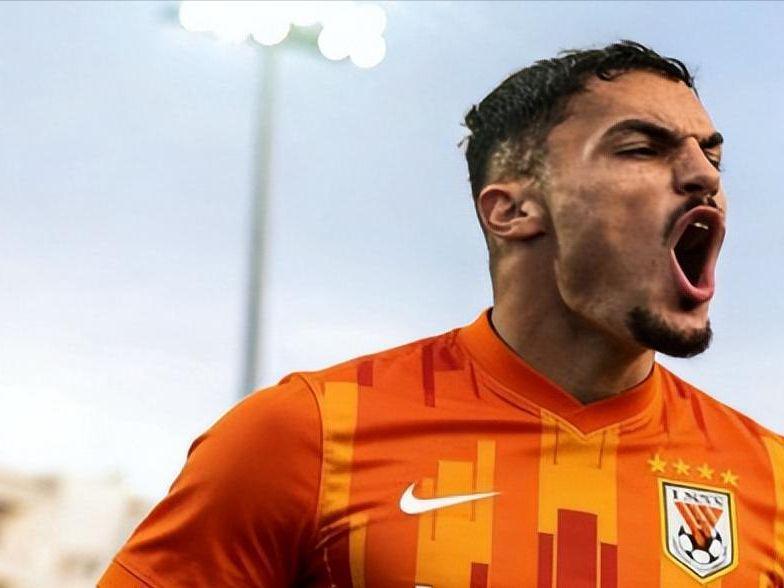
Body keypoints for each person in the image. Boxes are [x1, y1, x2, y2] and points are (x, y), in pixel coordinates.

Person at [99, 40, 784, 587]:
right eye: (641, 149)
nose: (705, 176)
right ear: (512, 210)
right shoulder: (307, 436)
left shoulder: (767, 479)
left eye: (711, 154)